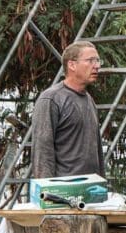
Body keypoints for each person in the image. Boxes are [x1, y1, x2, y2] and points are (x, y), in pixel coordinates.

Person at [30, 41, 104, 179]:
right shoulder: (51, 99)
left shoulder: (89, 100)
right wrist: (48, 194)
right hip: (63, 192)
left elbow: (98, 152)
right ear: (72, 65)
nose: (97, 66)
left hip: (89, 190)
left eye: (98, 61)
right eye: (90, 61)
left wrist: (102, 186)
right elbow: (42, 152)